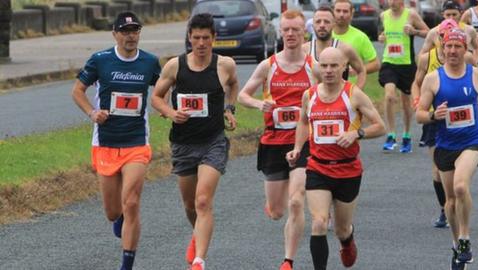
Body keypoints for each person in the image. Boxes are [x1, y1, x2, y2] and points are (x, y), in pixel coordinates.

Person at [71, 12, 161, 270]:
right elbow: (77, 90)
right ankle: (119, 218)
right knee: (113, 211)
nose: (131, 36)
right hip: (106, 143)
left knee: (131, 201)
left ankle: (126, 265)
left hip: (136, 142)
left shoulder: (150, 62)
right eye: (125, 31)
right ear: (115, 34)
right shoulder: (101, 60)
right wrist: (92, 112)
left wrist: (166, 108)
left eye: (135, 30)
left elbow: (164, 87)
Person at [150, 13, 238, 270]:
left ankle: (199, 260)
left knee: (202, 201)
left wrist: (230, 109)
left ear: (214, 38)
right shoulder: (175, 66)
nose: (201, 43)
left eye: (206, 38)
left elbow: (233, 85)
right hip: (183, 143)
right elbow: (156, 97)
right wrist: (169, 112)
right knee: (190, 205)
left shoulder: (225, 65)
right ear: (189, 38)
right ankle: (197, 233)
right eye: (196, 38)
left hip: (213, 141)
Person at [286, 47, 385, 270]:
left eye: (334, 66)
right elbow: (303, 122)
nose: (328, 71)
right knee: (319, 222)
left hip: (348, 170)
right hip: (318, 168)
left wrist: (356, 134)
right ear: (318, 68)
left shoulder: (354, 94)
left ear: (344, 68)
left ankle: (347, 240)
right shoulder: (309, 95)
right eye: (324, 66)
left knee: (341, 229)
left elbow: (381, 126)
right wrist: (297, 148)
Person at [238, 9, 317, 270]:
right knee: (277, 212)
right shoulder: (268, 65)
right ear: (281, 32)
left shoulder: (312, 67)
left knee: (297, 200)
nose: (291, 34)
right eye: (287, 30)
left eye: (296, 29)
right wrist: (260, 104)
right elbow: (243, 95)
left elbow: (329, 94)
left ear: (303, 32)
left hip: (303, 143)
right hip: (273, 142)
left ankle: (288, 261)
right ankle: (272, 205)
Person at [416, 28, 478, 269]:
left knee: (461, 186)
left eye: (458, 47)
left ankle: (464, 238)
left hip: (473, 141)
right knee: (450, 202)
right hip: (445, 144)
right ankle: (456, 244)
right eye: (449, 47)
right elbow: (419, 115)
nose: (452, 51)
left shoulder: (475, 74)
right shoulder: (434, 78)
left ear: (465, 50)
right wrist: (434, 114)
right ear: (443, 49)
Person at [378, 0, 429, 153]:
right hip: (389, 62)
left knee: (406, 103)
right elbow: (383, 33)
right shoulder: (383, 15)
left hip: (406, 64)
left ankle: (406, 135)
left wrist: (414, 32)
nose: (391, 2)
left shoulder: (411, 14)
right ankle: (391, 134)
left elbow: (428, 32)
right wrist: (381, 37)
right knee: (389, 95)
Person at [303, 6, 367, 89]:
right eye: (318, 22)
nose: (322, 25)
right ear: (313, 24)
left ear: (334, 24)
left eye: (326, 22)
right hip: (312, 101)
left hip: (338, 100)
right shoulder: (304, 50)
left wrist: (353, 94)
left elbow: (362, 71)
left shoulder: (345, 49)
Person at [332, 0, 380, 75]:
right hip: (327, 86)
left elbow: (376, 64)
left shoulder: (360, 37)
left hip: (353, 86)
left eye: (345, 11)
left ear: (351, 14)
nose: (341, 14)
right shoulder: (325, 35)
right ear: (332, 13)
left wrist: (359, 70)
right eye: (338, 11)